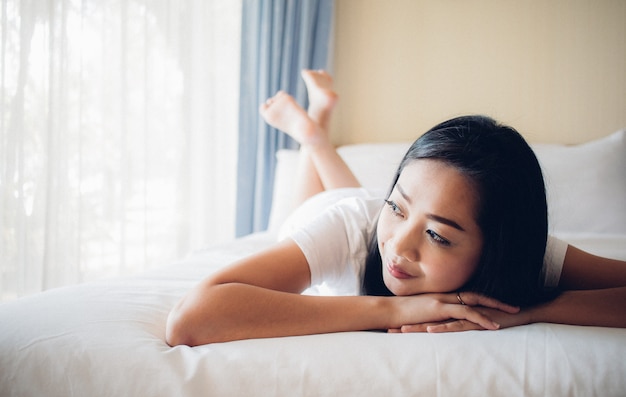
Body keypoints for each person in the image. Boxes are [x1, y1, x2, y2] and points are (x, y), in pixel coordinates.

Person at [166, 70, 626, 347]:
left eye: (439, 236)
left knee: (370, 208)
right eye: (400, 205)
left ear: (497, 249)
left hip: (366, 210)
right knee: (336, 204)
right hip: (335, 216)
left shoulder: (521, 249)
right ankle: (312, 131)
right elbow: (191, 319)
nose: (400, 249)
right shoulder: (350, 230)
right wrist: (393, 311)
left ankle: (317, 126)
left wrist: (532, 311)